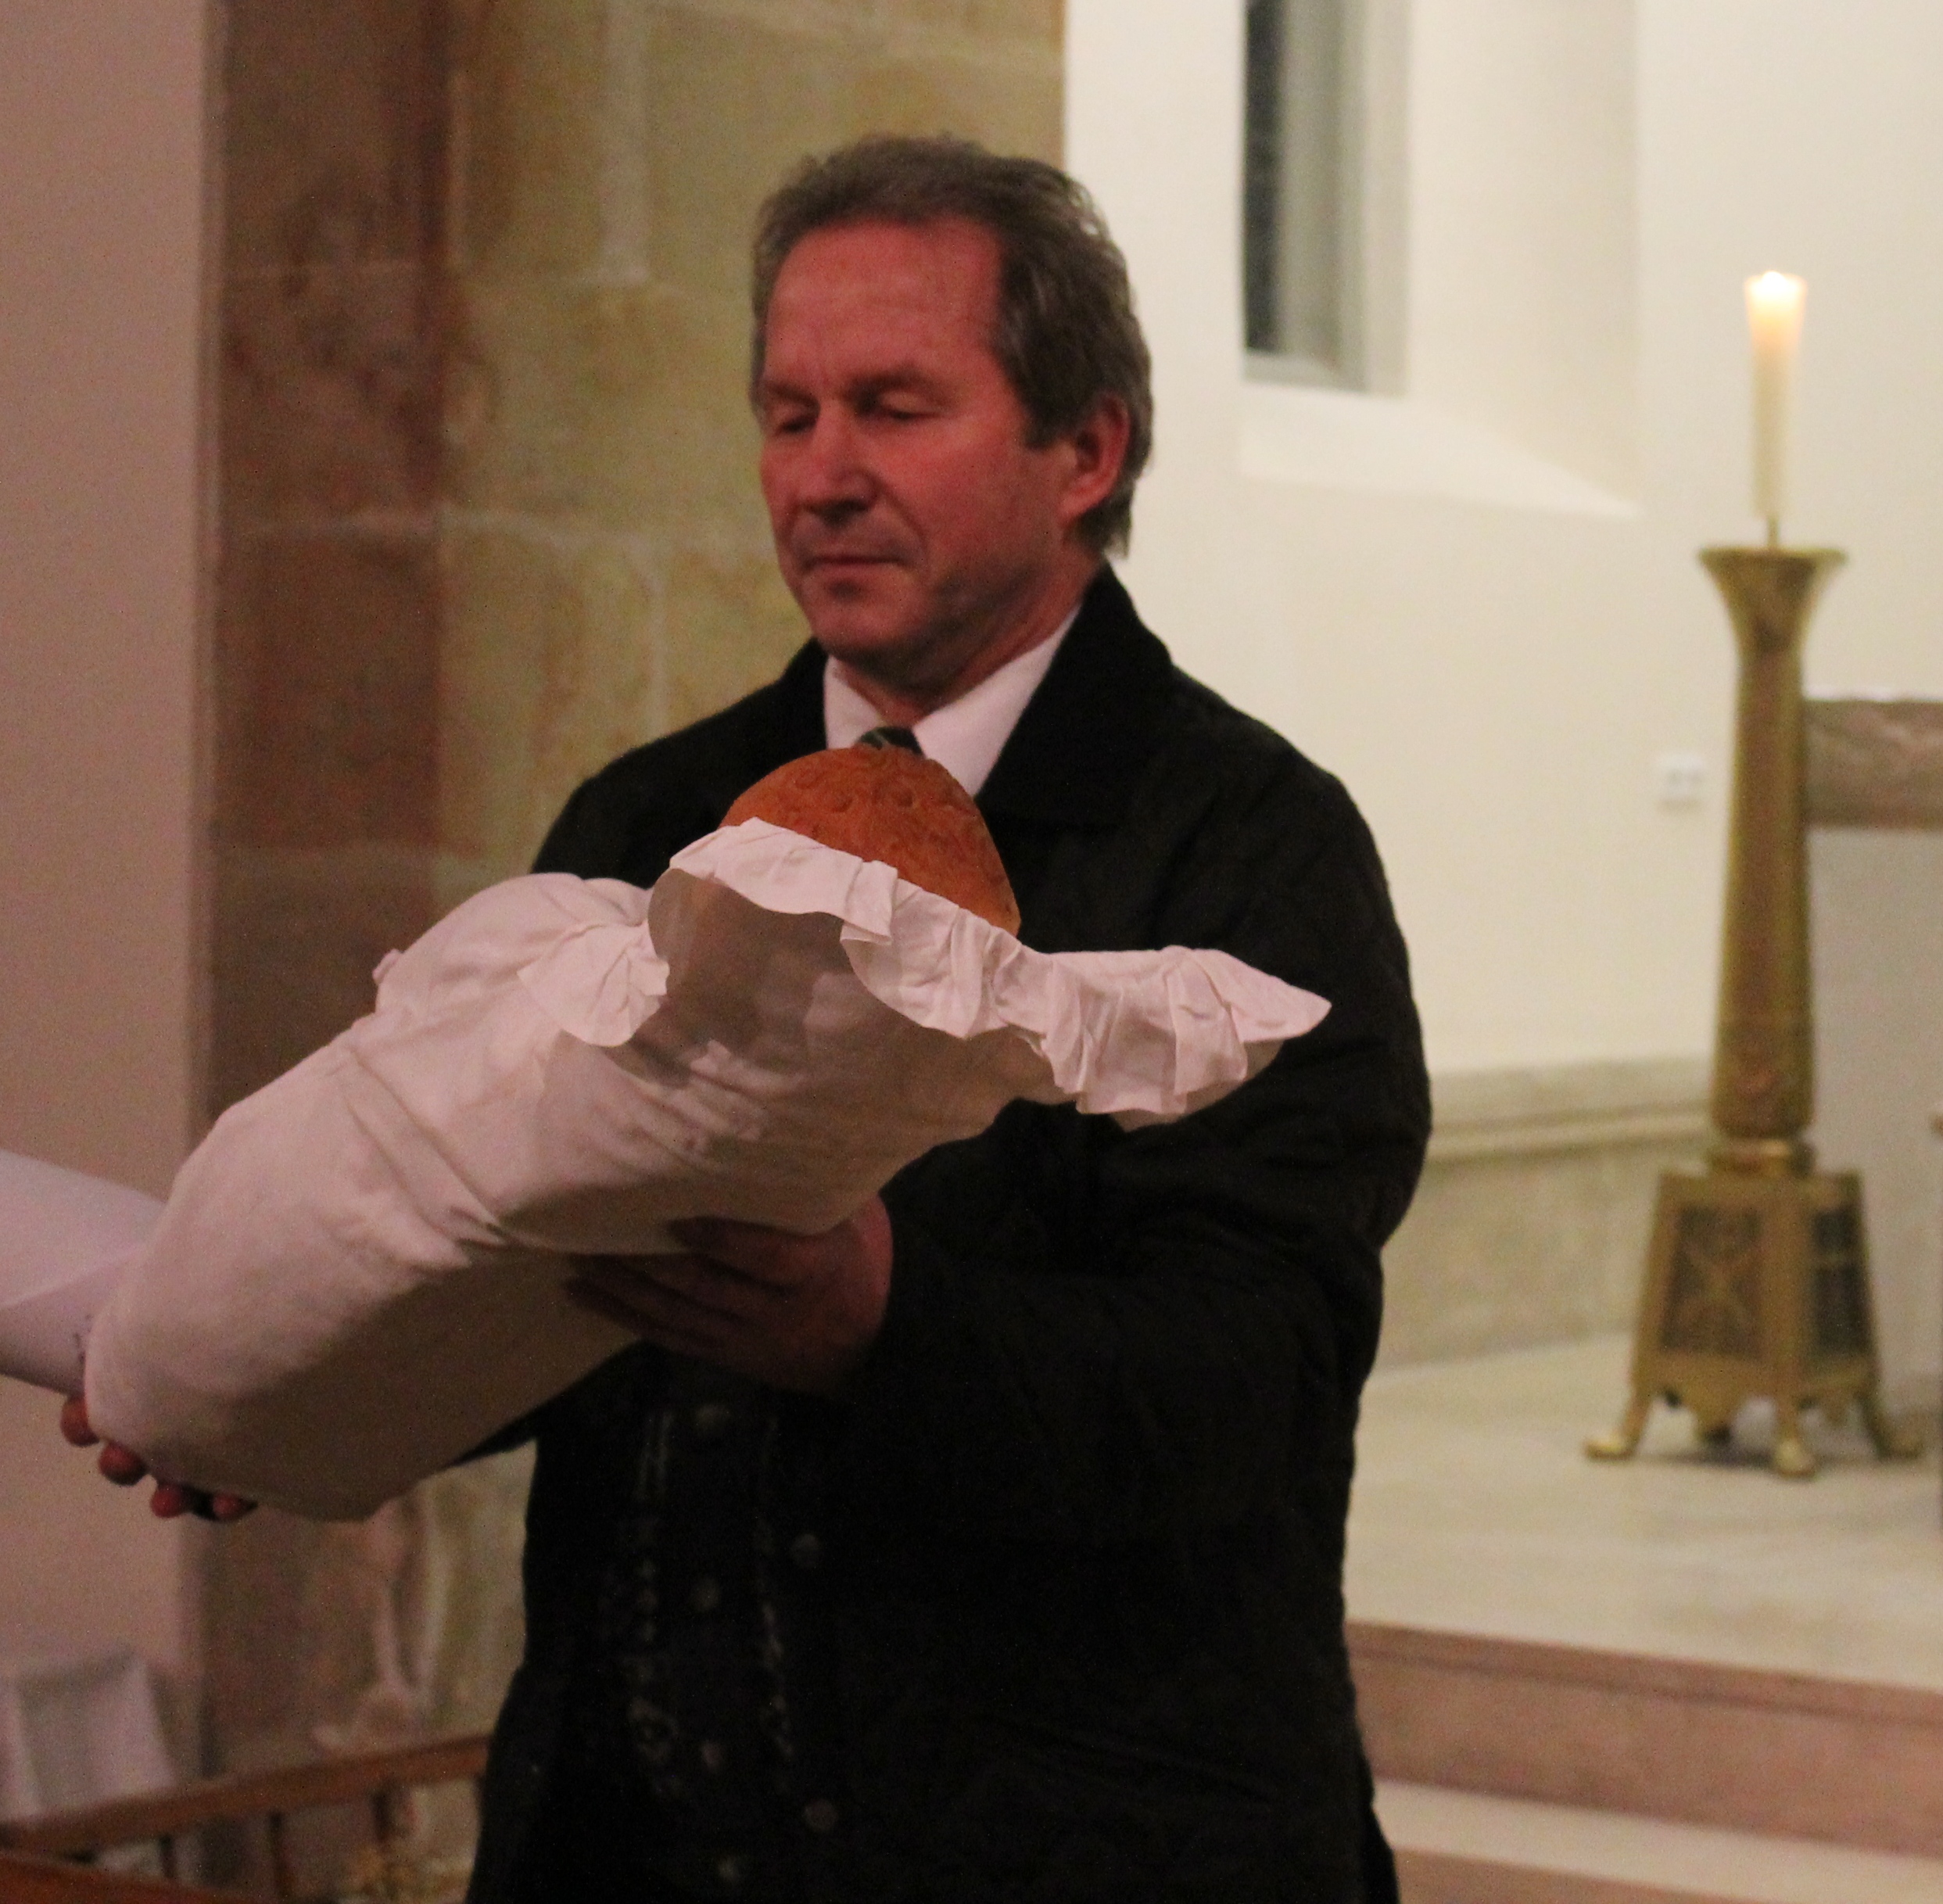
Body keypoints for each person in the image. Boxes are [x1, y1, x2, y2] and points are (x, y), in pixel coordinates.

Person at [77, 136, 1430, 1901]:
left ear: (1086, 450)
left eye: (893, 408)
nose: (824, 475)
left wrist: (887, 1322)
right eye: (789, 416)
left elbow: (1255, 1380)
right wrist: (272, 1380)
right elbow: (513, 1268)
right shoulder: (654, 813)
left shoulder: (1248, 848)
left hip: (1084, 1846)